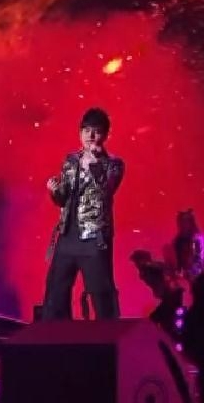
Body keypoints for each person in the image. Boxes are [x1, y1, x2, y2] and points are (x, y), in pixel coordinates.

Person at [42, 108, 125, 320]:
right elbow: (63, 199)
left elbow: (107, 190)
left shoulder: (113, 164)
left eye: (96, 131)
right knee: (55, 292)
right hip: (67, 236)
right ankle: (58, 334)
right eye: (86, 130)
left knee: (101, 293)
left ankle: (108, 335)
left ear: (105, 135)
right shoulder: (71, 160)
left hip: (94, 238)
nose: (90, 136)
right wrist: (54, 191)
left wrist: (95, 165)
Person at [131, 250, 185, 340]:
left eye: (137, 262)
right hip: (169, 299)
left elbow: (166, 269)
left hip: (172, 298)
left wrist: (148, 264)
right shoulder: (146, 271)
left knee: (164, 324)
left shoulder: (153, 268)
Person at [170, 209, 204, 287]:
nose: (183, 225)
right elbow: (177, 263)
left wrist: (189, 273)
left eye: (185, 221)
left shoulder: (199, 239)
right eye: (181, 222)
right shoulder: (177, 241)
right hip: (188, 282)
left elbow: (201, 261)